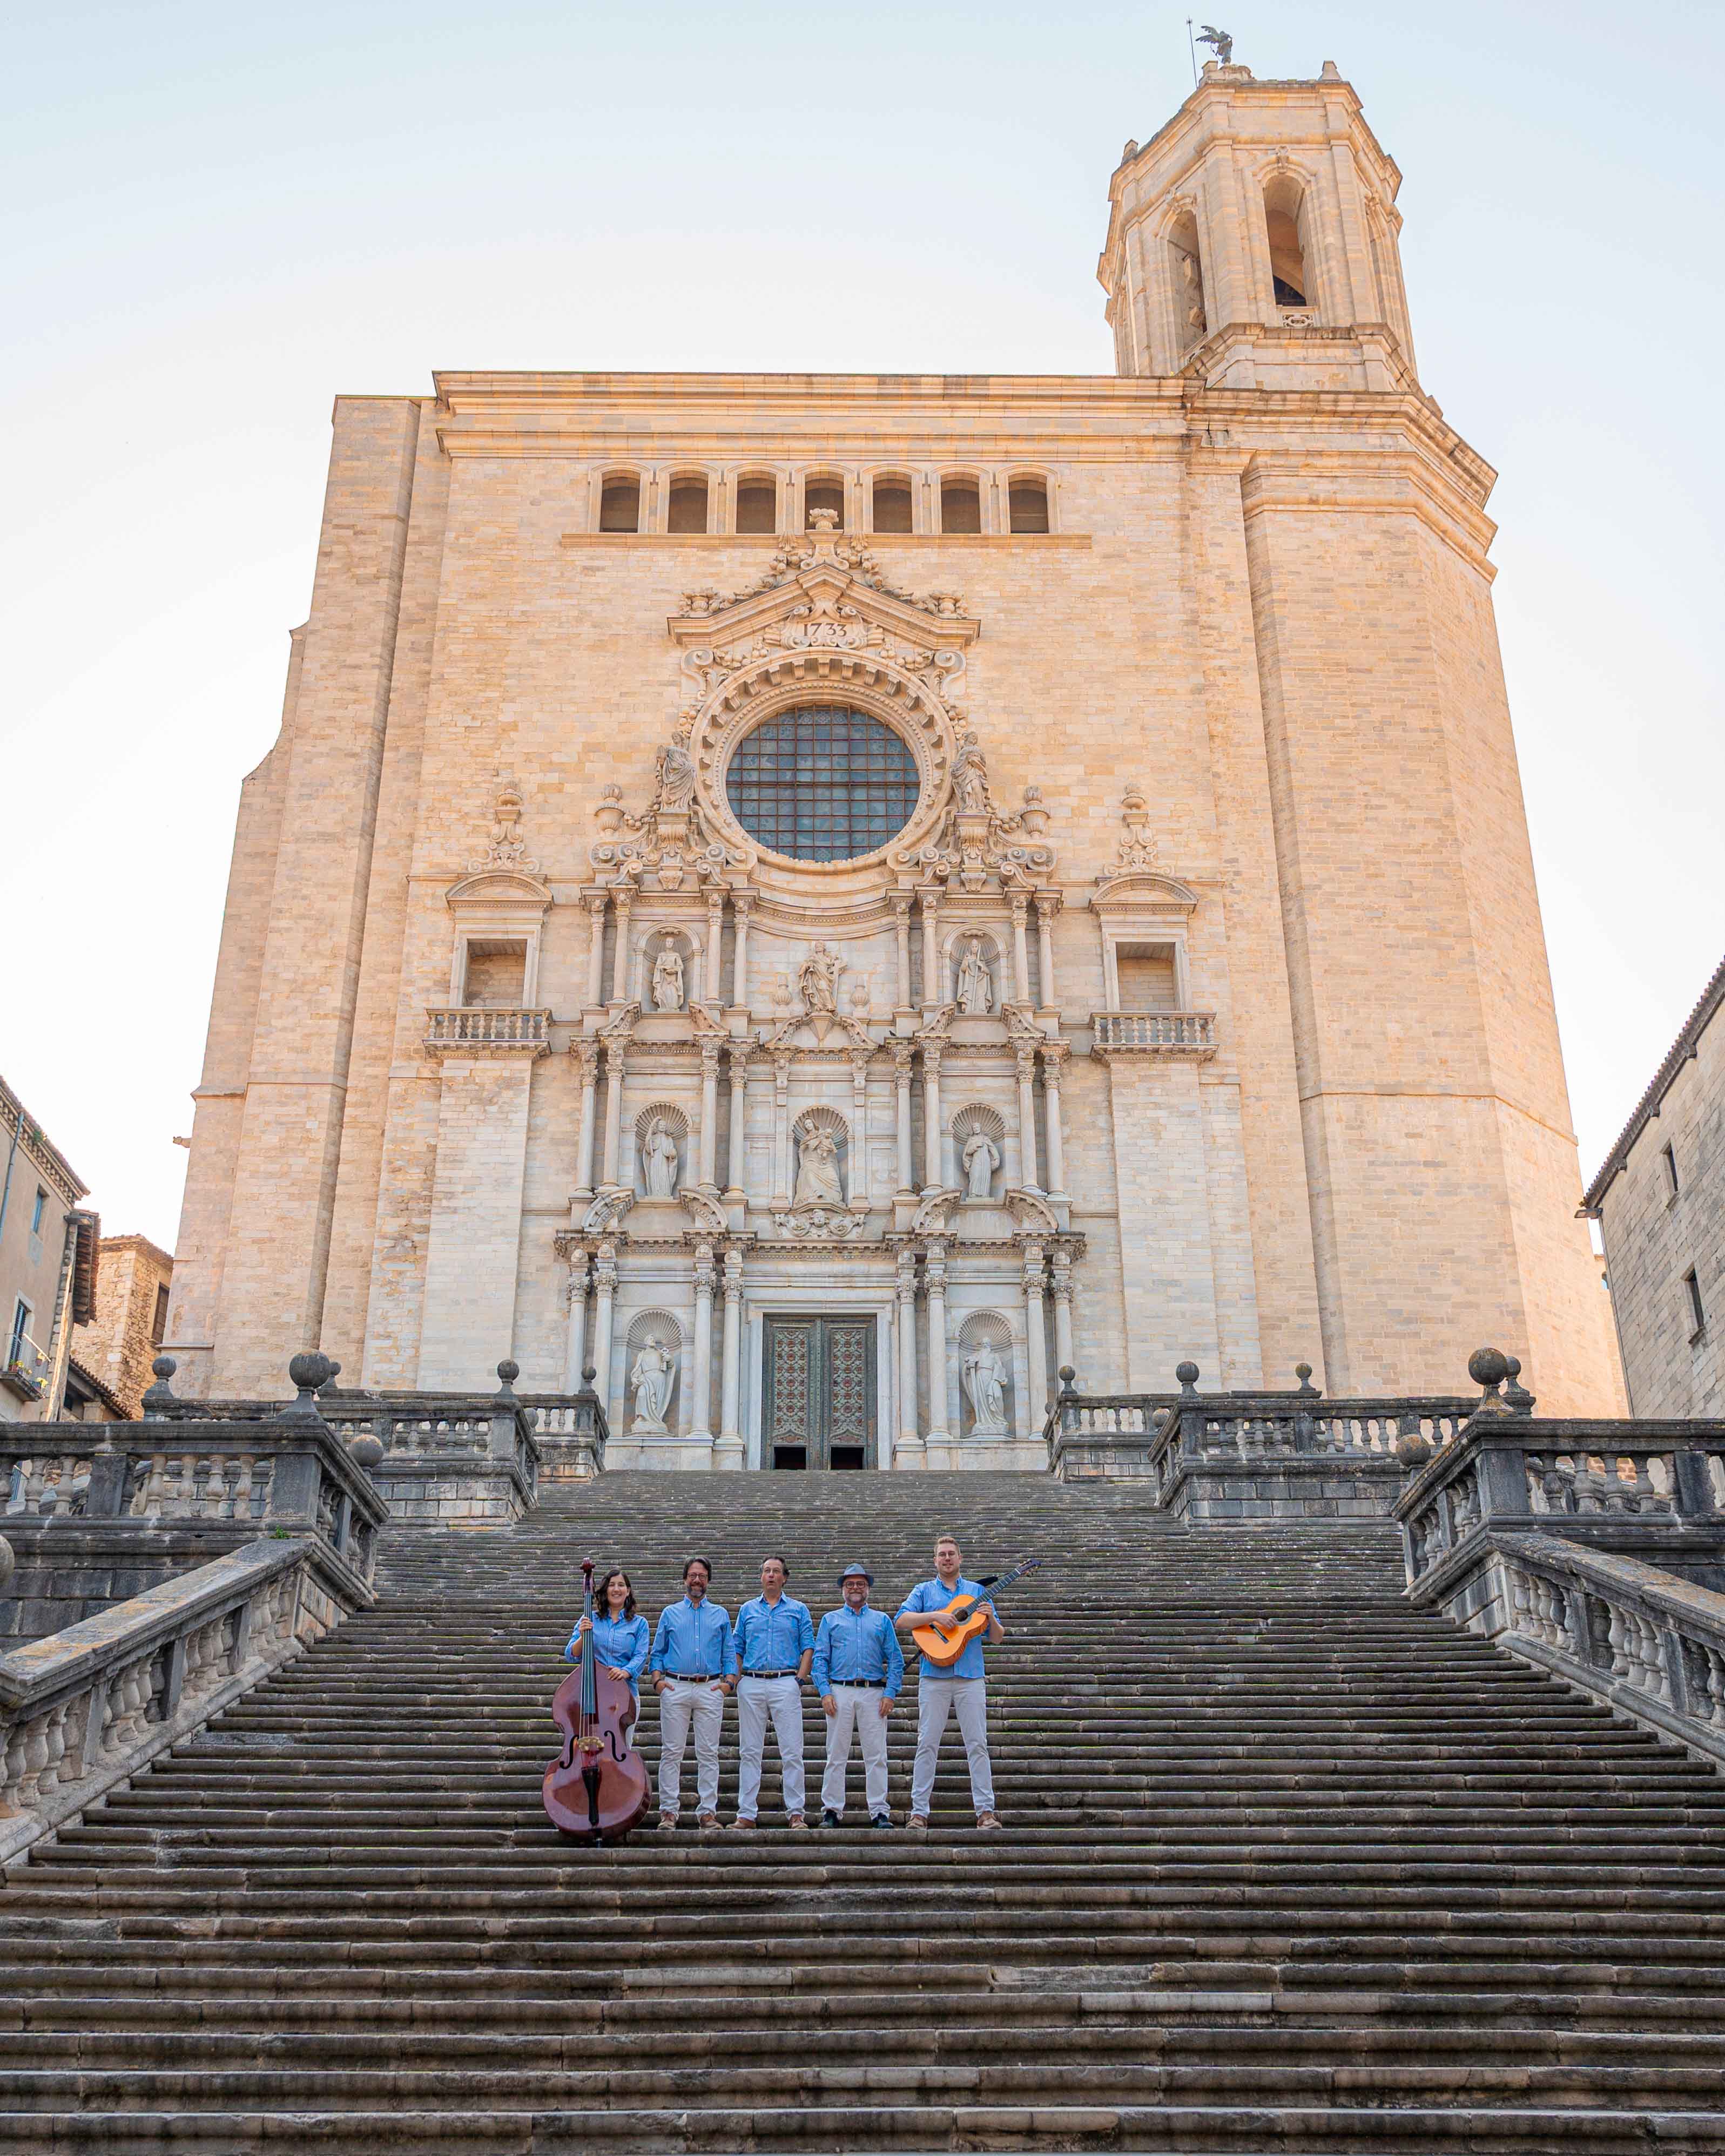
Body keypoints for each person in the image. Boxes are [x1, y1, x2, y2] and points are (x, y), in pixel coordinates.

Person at [894, 1532, 1004, 1831]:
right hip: (934, 1676)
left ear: (960, 1558)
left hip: (970, 1677)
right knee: (927, 1743)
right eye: (941, 1554)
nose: (946, 1558)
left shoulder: (976, 1592)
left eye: (951, 1554)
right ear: (935, 1560)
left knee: (978, 1744)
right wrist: (937, 1617)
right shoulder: (923, 1590)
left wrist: (991, 1618)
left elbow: (996, 1637)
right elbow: (901, 1620)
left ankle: (985, 1811)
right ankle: (919, 1813)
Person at [648, 1557, 736, 1830]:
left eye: (702, 1576)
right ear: (685, 1579)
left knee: (708, 1753)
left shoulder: (720, 1614)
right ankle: (669, 1812)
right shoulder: (670, 1613)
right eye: (692, 1576)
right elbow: (658, 1652)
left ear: (708, 1580)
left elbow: (729, 1653)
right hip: (676, 1686)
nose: (697, 1581)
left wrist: (728, 1683)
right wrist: (657, 1682)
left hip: (710, 1688)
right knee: (672, 1752)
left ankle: (707, 1812)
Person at [813, 1564, 904, 1829]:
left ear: (868, 1589)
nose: (855, 1589)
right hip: (839, 1690)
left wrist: (890, 1692)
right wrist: (824, 1692)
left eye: (860, 1584)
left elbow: (896, 1659)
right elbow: (820, 1659)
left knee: (876, 1755)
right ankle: (831, 1810)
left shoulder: (882, 1620)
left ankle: (879, 1811)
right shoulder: (830, 1620)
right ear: (843, 1589)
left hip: (873, 1691)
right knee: (836, 1754)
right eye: (850, 1584)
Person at [730, 1556, 815, 1830]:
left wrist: (799, 1681)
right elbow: (737, 1647)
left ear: (784, 1578)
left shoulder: (798, 1609)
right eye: (766, 1570)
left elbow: (808, 1647)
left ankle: (796, 1813)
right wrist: (739, 1679)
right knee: (749, 1752)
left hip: (785, 1682)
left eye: (776, 1571)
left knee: (792, 1752)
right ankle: (746, 1814)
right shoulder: (747, 1610)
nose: (771, 1575)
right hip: (752, 1683)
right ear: (761, 1577)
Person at [565, 1567, 649, 1699]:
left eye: (621, 1585)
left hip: (625, 1692)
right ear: (606, 1590)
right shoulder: (588, 1619)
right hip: (592, 1692)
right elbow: (571, 1656)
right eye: (611, 1585)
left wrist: (624, 1672)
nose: (616, 1589)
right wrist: (583, 1638)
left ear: (628, 1591)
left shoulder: (640, 1623)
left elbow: (640, 1656)